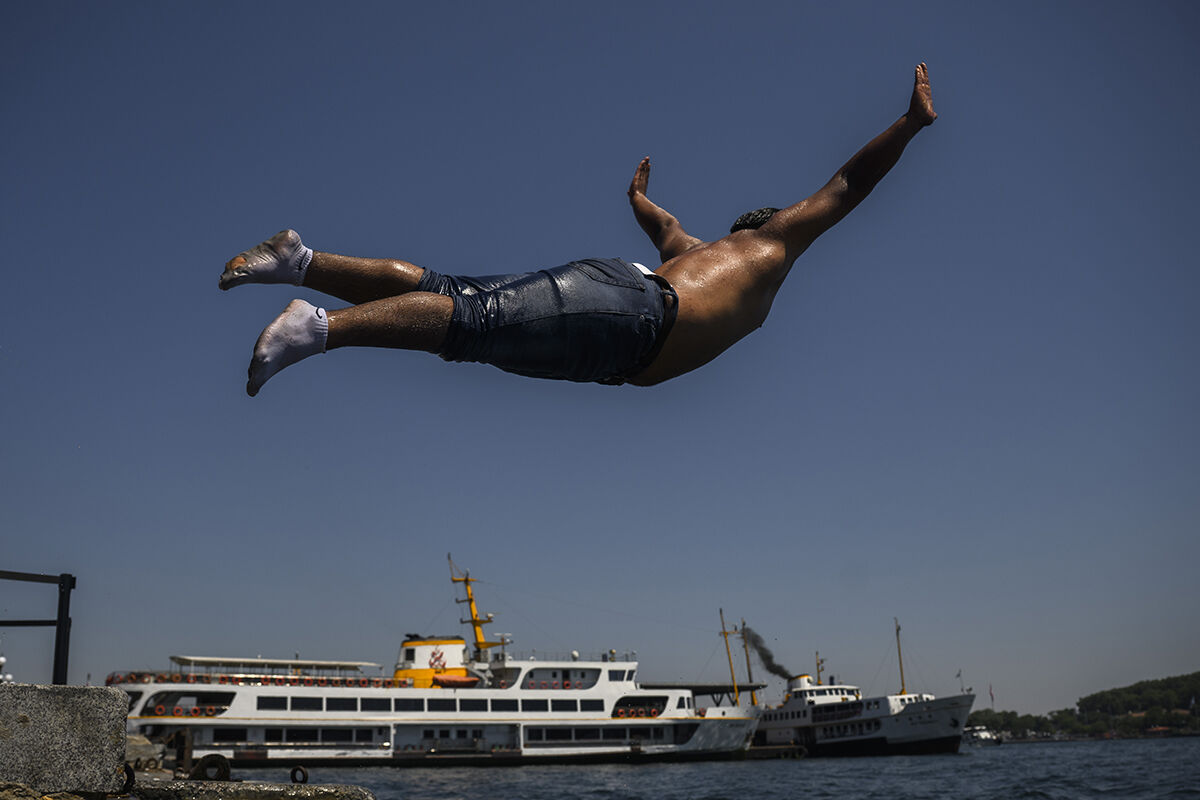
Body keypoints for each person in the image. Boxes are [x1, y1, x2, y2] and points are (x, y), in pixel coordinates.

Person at [222, 63, 937, 396]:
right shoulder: (770, 248)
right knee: (467, 324)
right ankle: (318, 327)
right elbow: (847, 186)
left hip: (621, 319)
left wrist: (636, 197)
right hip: (631, 322)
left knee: (448, 293)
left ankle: (300, 260)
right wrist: (908, 124)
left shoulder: (696, 253)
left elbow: (663, 223)